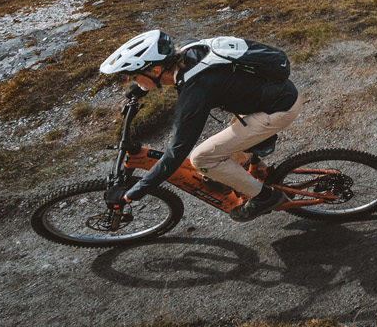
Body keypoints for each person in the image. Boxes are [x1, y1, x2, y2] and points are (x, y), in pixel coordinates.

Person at [97, 30, 303, 221]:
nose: (130, 80)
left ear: (156, 69)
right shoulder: (188, 49)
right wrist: (138, 89)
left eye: (133, 76)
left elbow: (176, 152)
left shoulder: (195, 91)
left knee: (201, 157)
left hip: (276, 111)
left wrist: (133, 193)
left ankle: (265, 197)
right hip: (273, 95)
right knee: (223, 154)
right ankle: (251, 173)